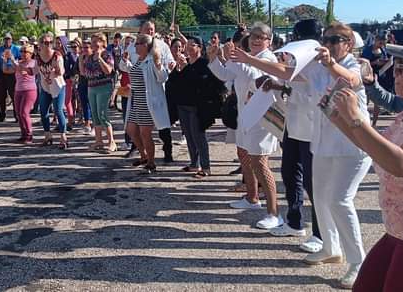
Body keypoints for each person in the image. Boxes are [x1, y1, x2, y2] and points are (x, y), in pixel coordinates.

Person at [232, 22, 371, 288]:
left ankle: (358, 262)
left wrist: (331, 64)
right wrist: (250, 59)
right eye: (325, 39)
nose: (328, 44)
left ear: (348, 43)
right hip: (322, 142)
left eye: (335, 40)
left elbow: (352, 80)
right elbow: (285, 71)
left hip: (351, 145)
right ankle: (331, 248)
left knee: (340, 200)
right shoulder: (316, 67)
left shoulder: (355, 64)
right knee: (319, 197)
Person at [328, 38, 403, 292]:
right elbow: (380, 151)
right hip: (400, 229)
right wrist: (340, 118)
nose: (394, 74)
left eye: (400, 69)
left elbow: (402, 164)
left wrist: (357, 119)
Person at [237, 19, 324, 254]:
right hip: (293, 126)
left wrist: (250, 60)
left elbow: (288, 73)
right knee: (290, 174)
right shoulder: (299, 57)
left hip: (311, 129)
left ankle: (320, 233)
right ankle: (294, 221)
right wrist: (275, 86)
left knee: (312, 183)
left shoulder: (318, 60)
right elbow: (289, 83)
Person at [208, 22, 282, 231]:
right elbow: (225, 75)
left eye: (262, 37)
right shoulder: (247, 57)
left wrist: (239, 57)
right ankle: (252, 197)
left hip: (262, 118)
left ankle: (274, 213)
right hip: (245, 116)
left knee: (260, 163)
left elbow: (255, 78)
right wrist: (215, 57)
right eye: (254, 36)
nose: (257, 40)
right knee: (244, 155)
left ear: (269, 41)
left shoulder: (268, 59)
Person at [120, 21, 176, 163]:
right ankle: (142, 154)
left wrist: (160, 65)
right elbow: (128, 69)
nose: (150, 32)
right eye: (147, 29)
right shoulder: (137, 53)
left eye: (152, 29)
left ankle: (156, 158)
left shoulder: (158, 52)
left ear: (145, 45)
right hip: (136, 98)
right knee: (131, 130)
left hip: (150, 99)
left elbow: (163, 75)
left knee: (151, 132)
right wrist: (125, 62)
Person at [170, 36, 226, 177]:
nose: (188, 48)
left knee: (198, 137)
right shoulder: (185, 63)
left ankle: (206, 167)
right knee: (188, 136)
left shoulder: (204, 64)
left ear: (199, 47)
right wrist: (178, 68)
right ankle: (194, 164)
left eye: (192, 45)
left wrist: (186, 68)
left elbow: (203, 83)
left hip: (197, 107)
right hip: (182, 105)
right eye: (186, 45)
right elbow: (174, 82)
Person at [80, 33, 116, 153]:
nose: (94, 44)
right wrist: (81, 59)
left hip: (104, 87)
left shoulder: (107, 55)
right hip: (92, 87)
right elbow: (84, 73)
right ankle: (99, 141)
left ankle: (111, 142)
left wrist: (100, 58)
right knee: (95, 115)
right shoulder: (90, 57)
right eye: (93, 41)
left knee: (102, 114)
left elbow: (108, 71)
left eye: (96, 41)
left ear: (102, 42)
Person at [36, 32, 67, 149]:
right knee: (43, 112)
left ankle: (63, 138)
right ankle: (47, 135)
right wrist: (19, 66)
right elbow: (34, 71)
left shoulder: (57, 56)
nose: (48, 45)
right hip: (45, 87)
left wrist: (56, 67)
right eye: (45, 43)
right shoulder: (38, 56)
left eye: (50, 42)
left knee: (58, 111)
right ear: (40, 44)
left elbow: (61, 72)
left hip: (58, 87)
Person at [361, 34, 393, 126]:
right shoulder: (368, 50)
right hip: (368, 76)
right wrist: (374, 63)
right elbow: (363, 63)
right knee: (365, 99)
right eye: (380, 42)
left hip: (380, 76)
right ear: (376, 40)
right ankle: (364, 121)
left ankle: (374, 123)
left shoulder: (383, 50)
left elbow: (385, 58)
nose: (381, 44)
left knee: (377, 101)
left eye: (383, 43)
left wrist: (385, 62)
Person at [12, 44, 37, 143]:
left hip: (29, 90)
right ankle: (23, 133)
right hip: (18, 89)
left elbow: (23, 71)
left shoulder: (33, 63)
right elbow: (12, 69)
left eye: (25, 51)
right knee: (18, 113)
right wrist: (8, 60)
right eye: (21, 51)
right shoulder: (19, 62)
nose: (22, 53)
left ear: (30, 53)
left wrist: (14, 62)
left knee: (24, 112)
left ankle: (29, 134)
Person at [0, 33, 20, 122]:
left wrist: (13, 60)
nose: (7, 41)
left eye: (9, 39)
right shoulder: (1, 49)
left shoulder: (16, 49)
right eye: (5, 39)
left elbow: (20, 60)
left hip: (12, 74)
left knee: (13, 95)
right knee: (1, 95)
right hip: (2, 73)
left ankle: (16, 115)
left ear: (11, 40)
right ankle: (2, 115)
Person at [63, 39, 81, 132]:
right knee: (70, 100)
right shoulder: (68, 56)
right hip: (70, 79)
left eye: (75, 47)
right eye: (72, 47)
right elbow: (66, 68)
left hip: (79, 80)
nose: (73, 49)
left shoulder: (81, 56)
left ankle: (81, 118)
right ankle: (72, 118)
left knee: (80, 100)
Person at [78, 39, 93, 135]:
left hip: (92, 82)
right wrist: (80, 60)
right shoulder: (81, 58)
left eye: (87, 47)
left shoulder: (94, 58)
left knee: (92, 104)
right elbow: (80, 71)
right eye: (83, 48)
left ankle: (94, 124)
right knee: (84, 103)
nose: (85, 49)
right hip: (83, 82)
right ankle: (87, 123)